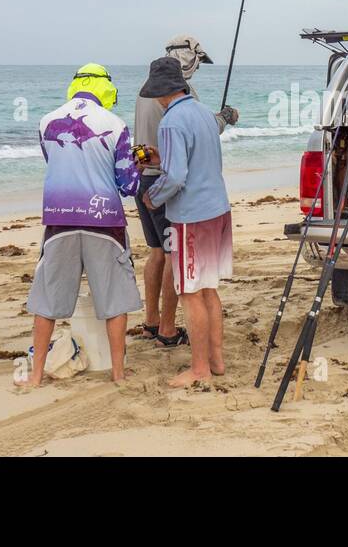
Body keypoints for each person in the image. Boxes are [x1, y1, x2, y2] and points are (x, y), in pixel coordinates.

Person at [22, 63, 141, 386]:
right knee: (114, 298)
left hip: (59, 218)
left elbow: (55, 162)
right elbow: (128, 185)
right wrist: (139, 165)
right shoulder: (116, 124)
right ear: (106, 89)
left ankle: (35, 375)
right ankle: (118, 373)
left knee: (48, 298)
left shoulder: (46, 122)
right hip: (105, 221)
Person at [132, 34, 237, 347]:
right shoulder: (180, 94)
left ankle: (150, 322)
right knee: (171, 255)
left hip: (145, 176)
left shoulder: (144, 90)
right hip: (164, 186)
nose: (198, 69)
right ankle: (166, 329)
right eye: (198, 62)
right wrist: (226, 118)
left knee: (155, 253)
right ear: (188, 60)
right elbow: (197, 132)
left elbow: (176, 144)